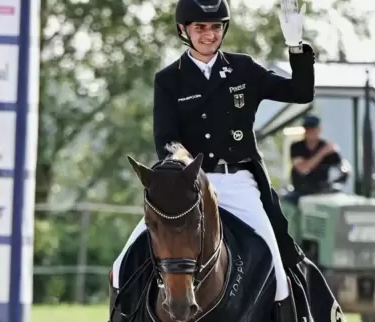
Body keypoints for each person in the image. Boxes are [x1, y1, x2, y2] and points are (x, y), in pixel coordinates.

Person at [113, 0, 329, 320]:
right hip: (189, 185)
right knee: (121, 266)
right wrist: (186, 162)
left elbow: (300, 92)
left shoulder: (243, 69)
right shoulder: (169, 79)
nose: (209, 35)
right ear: (183, 30)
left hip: (238, 183)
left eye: (215, 27)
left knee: (278, 268)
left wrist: (296, 46)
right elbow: (166, 140)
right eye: (200, 27)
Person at [285, 115, 350, 204]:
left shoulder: (327, 147)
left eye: (312, 129)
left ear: (319, 129)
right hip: (301, 192)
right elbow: (303, 169)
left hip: (322, 191)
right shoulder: (296, 147)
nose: (310, 132)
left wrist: (344, 169)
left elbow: (342, 166)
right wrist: (322, 153)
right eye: (307, 129)